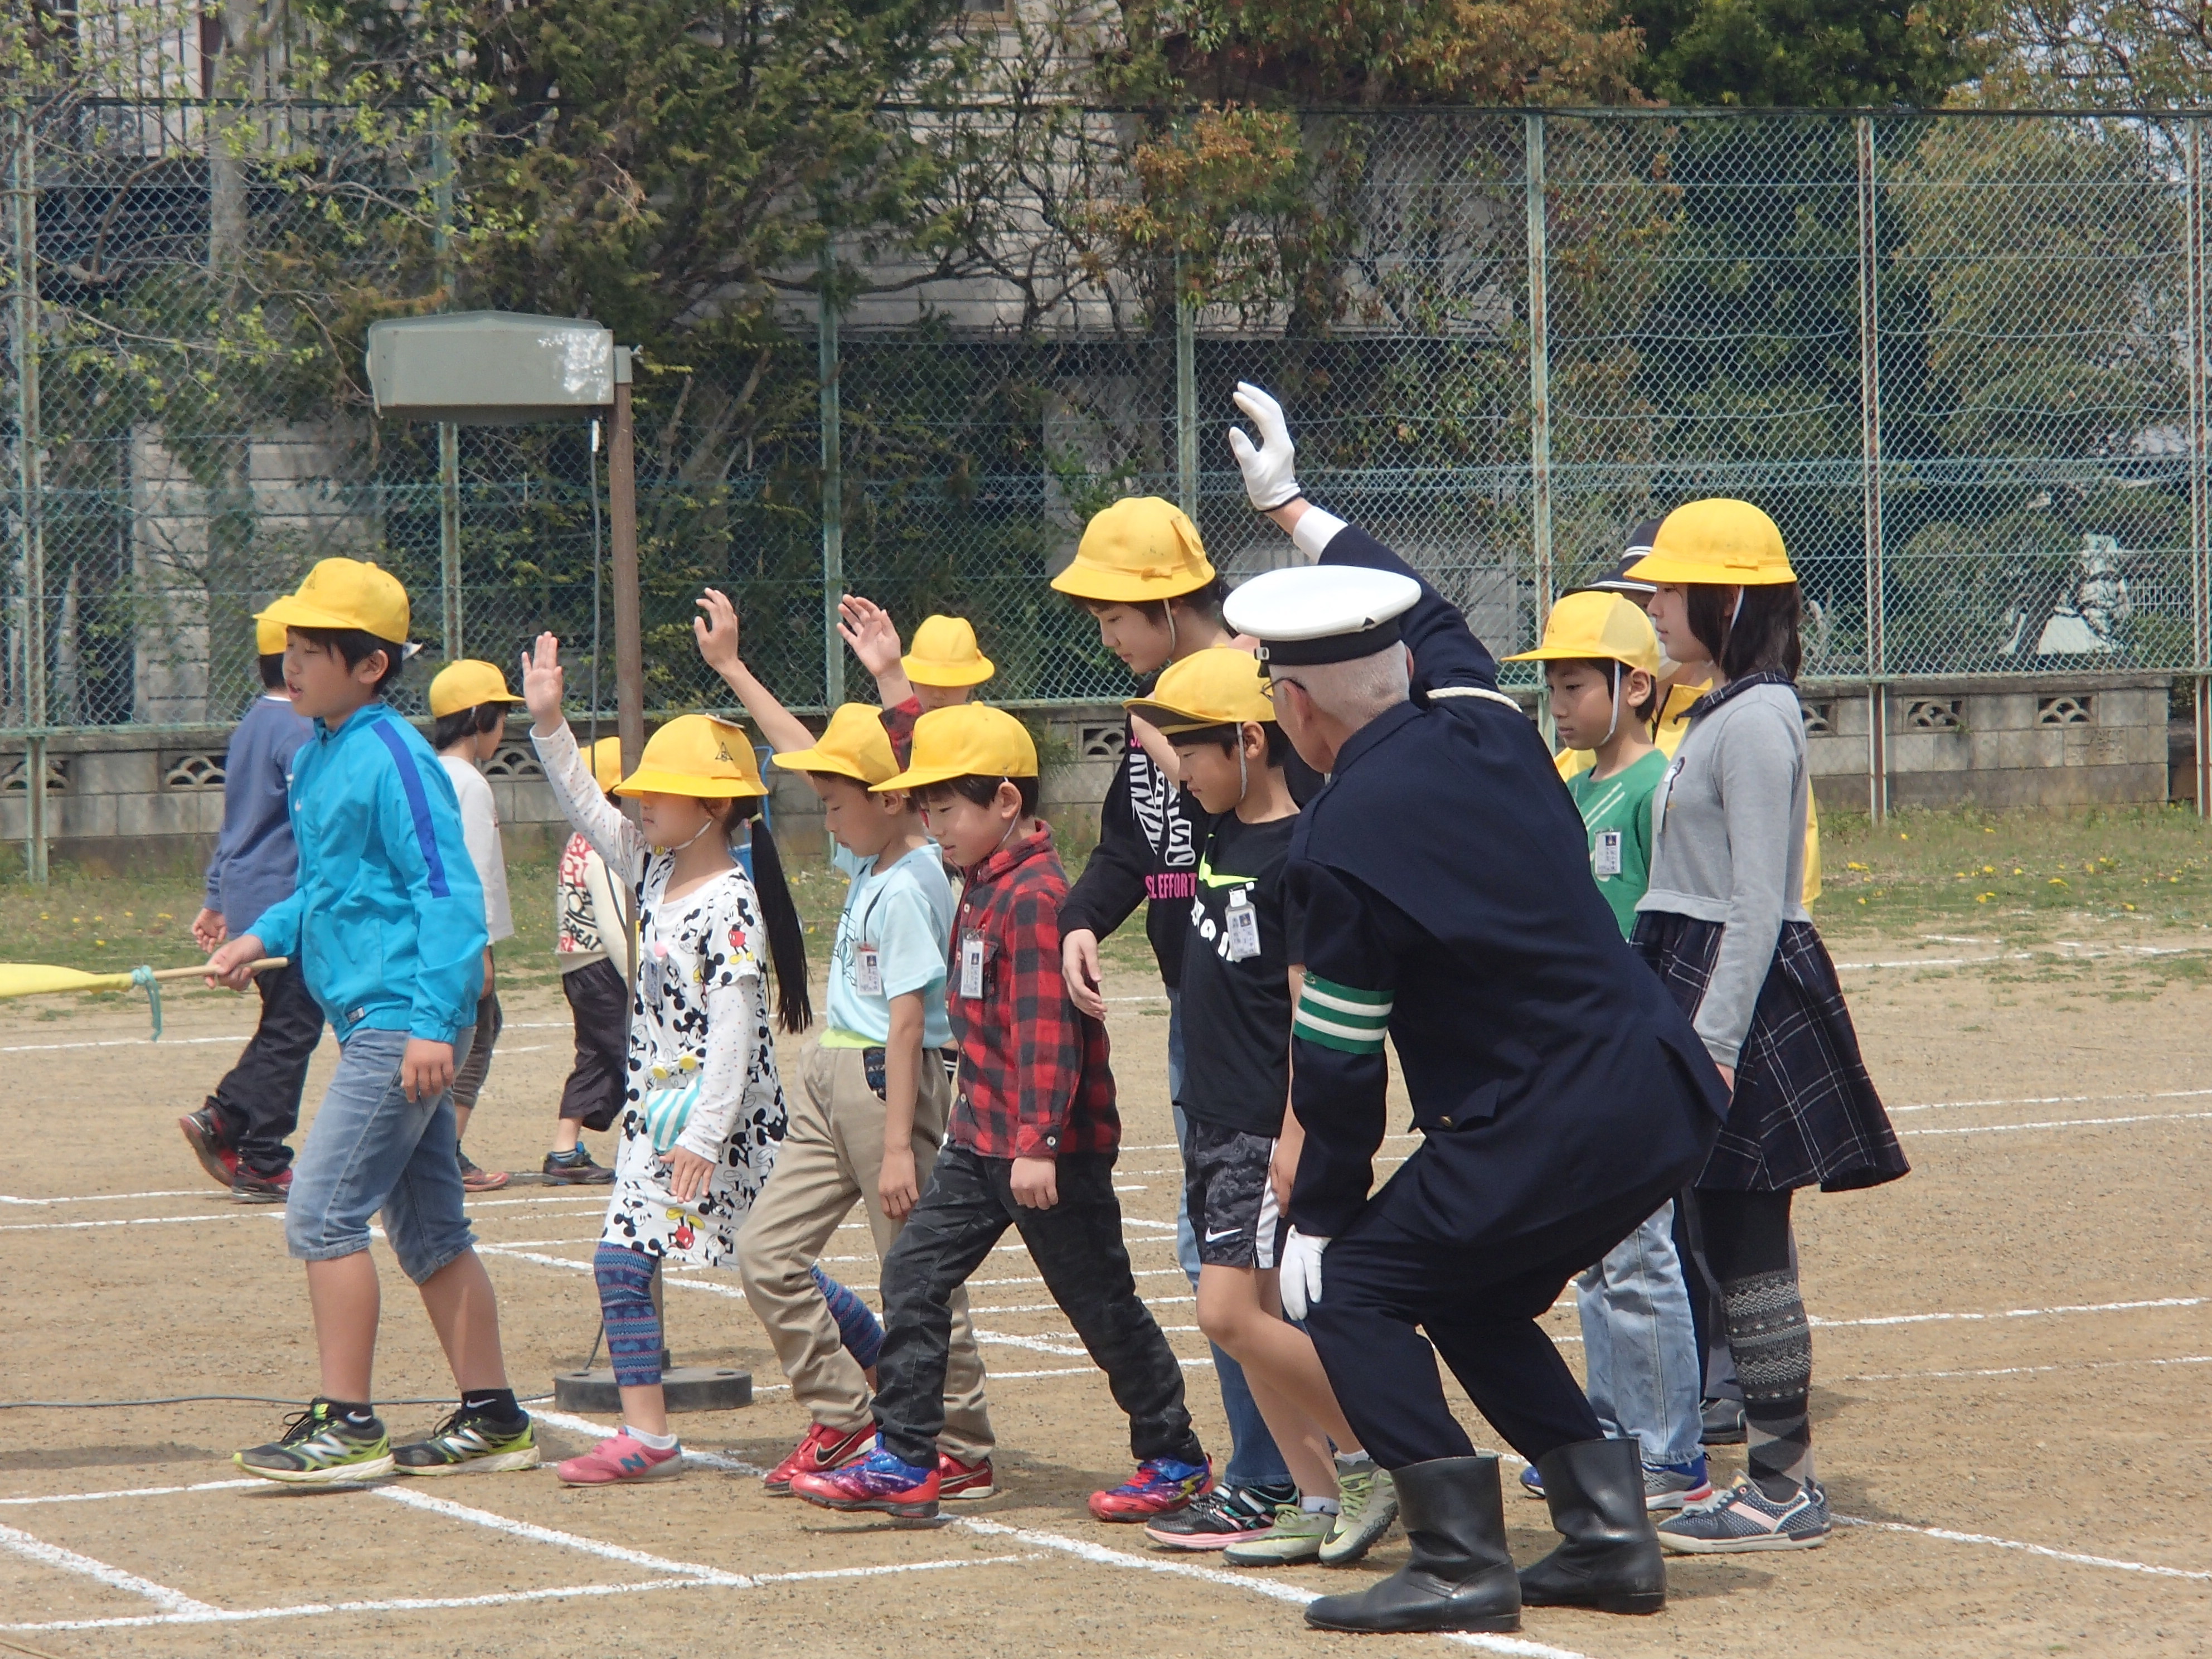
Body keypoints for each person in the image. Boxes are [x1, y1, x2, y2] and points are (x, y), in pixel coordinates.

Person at [1218, 381, 1726, 1634]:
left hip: (1540, 1118)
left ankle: (1457, 1558)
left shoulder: (1336, 844)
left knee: (1365, 1289)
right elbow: (1429, 609)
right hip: (1658, 1090)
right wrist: (1294, 511)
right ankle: (1606, 1535)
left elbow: (1336, 1067)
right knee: (1472, 1293)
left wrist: (1322, 1220)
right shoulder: (1487, 723)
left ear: (1293, 708)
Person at [790, 706, 1210, 1525]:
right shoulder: (980, 888)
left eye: (948, 809)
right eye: (929, 809)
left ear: (1007, 805)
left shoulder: (1034, 898)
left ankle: (1175, 1455)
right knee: (914, 1271)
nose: (933, 825)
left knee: (1100, 1305)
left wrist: (1039, 1146)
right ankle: (907, 1458)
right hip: (980, 1143)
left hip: (1046, 1152)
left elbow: (1050, 1038)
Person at [206, 557, 535, 1483]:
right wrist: (257, 936)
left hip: (405, 1024)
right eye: (291, 647)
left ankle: (348, 1424)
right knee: (430, 1229)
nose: (292, 663)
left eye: (312, 651)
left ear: (372, 666)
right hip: (380, 1020)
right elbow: (327, 887)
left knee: (320, 1210)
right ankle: (494, 1418)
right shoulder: (317, 753)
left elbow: (448, 896)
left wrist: (433, 1023)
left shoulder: (394, 758)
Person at [1626, 499, 1909, 1554]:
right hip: (1690, 975)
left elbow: (1757, 900)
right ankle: (1765, 1475)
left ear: (1727, 599)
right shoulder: (1713, 712)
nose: (1652, 608)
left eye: (1667, 589)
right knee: (1714, 1233)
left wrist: (1711, 1039)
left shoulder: (1755, 719)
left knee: (1748, 1243)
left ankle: (1782, 1483)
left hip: (1734, 993)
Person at [695, 589, 998, 1501]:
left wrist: (902, 1139)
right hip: (833, 1075)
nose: (819, 813)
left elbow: (910, 1020)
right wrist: (733, 671)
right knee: (766, 1253)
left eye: (834, 803)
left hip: (888, 1084)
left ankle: (962, 1443)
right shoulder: (870, 851)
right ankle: (844, 1418)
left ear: (888, 796)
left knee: (918, 1273)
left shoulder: (914, 873)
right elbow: (808, 755)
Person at [1117, 648, 1399, 1569]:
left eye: (1195, 755)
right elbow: (1165, 741)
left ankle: (1375, 1455)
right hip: (1207, 1118)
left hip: (1257, 1127)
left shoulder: (1295, 856)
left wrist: (1293, 1136)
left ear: (1249, 740)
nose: (1180, 774)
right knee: (1254, 1327)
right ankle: (1315, 1496)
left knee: (1227, 1314)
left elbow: (1307, 1015)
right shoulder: (1217, 825)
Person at [1049, 495, 1297, 1537]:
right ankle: (1271, 1469)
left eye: (1114, 615)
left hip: (1261, 1016)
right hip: (1201, 1007)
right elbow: (1127, 846)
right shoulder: (1153, 709)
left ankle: (1280, 1473)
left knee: (1247, 1262)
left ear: (1161, 601)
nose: (1106, 637)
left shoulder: (1246, 697)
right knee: (1215, 1255)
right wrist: (1078, 920)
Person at [521, 635, 813, 1486]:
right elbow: (584, 802)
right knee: (622, 1258)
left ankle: (880, 1387)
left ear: (714, 810)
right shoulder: (653, 865)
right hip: (663, 1117)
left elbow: (736, 1035)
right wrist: (549, 725)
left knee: (780, 1275)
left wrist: (707, 1137)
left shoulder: (729, 904)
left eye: (663, 793)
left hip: (722, 1125)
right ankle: (646, 1434)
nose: (642, 803)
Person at [1502, 594, 1712, 1512]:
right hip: (1571, 1051)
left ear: (1633, 687)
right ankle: (1606, 1436)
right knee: (1594, 1253)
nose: (1558, 699)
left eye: (1574, 683)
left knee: (1638, 1252)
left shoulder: (1654, 787)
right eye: (1550, 683)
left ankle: (1667, 1449)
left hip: (1632, 1048)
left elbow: (1676, 930)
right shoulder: (1567, 782)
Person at [181, 612, 319, 1204]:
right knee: (294, 1026)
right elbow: (311, 824)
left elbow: (235, 822)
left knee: (285, 1023)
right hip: (283, 898)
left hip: (248, 890)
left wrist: (217, 898)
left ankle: (233, 1119)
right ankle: (251, 1143)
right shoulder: (297, 730)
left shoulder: (251, 725)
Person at [429, 659, 524, 1193]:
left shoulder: (429, 771)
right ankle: (446, 1152)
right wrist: (481, 948)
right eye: (499, 715)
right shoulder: (471, 784)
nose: (501, 728)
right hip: (464, 937)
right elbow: (472, 870)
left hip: (433, 935)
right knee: (477, 1031)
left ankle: (439, 1148)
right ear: (476, 718)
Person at [544, 734, 625, 1185]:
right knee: (639, 1052)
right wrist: (638, 980)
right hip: (601, 966)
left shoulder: (580, 838)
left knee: (595, 1056)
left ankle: (564, 1151)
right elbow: (614, 925)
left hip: (577, 967)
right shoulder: (605, 845)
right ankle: (666, 1145)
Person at [834, 597, 994, 764]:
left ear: (973, 681)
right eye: (927, 682)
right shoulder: (892, 737)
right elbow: (915, 755)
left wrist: (890, 675)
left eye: (951, 684)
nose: (938, 694)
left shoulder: (987, 735)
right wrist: (888, 674)